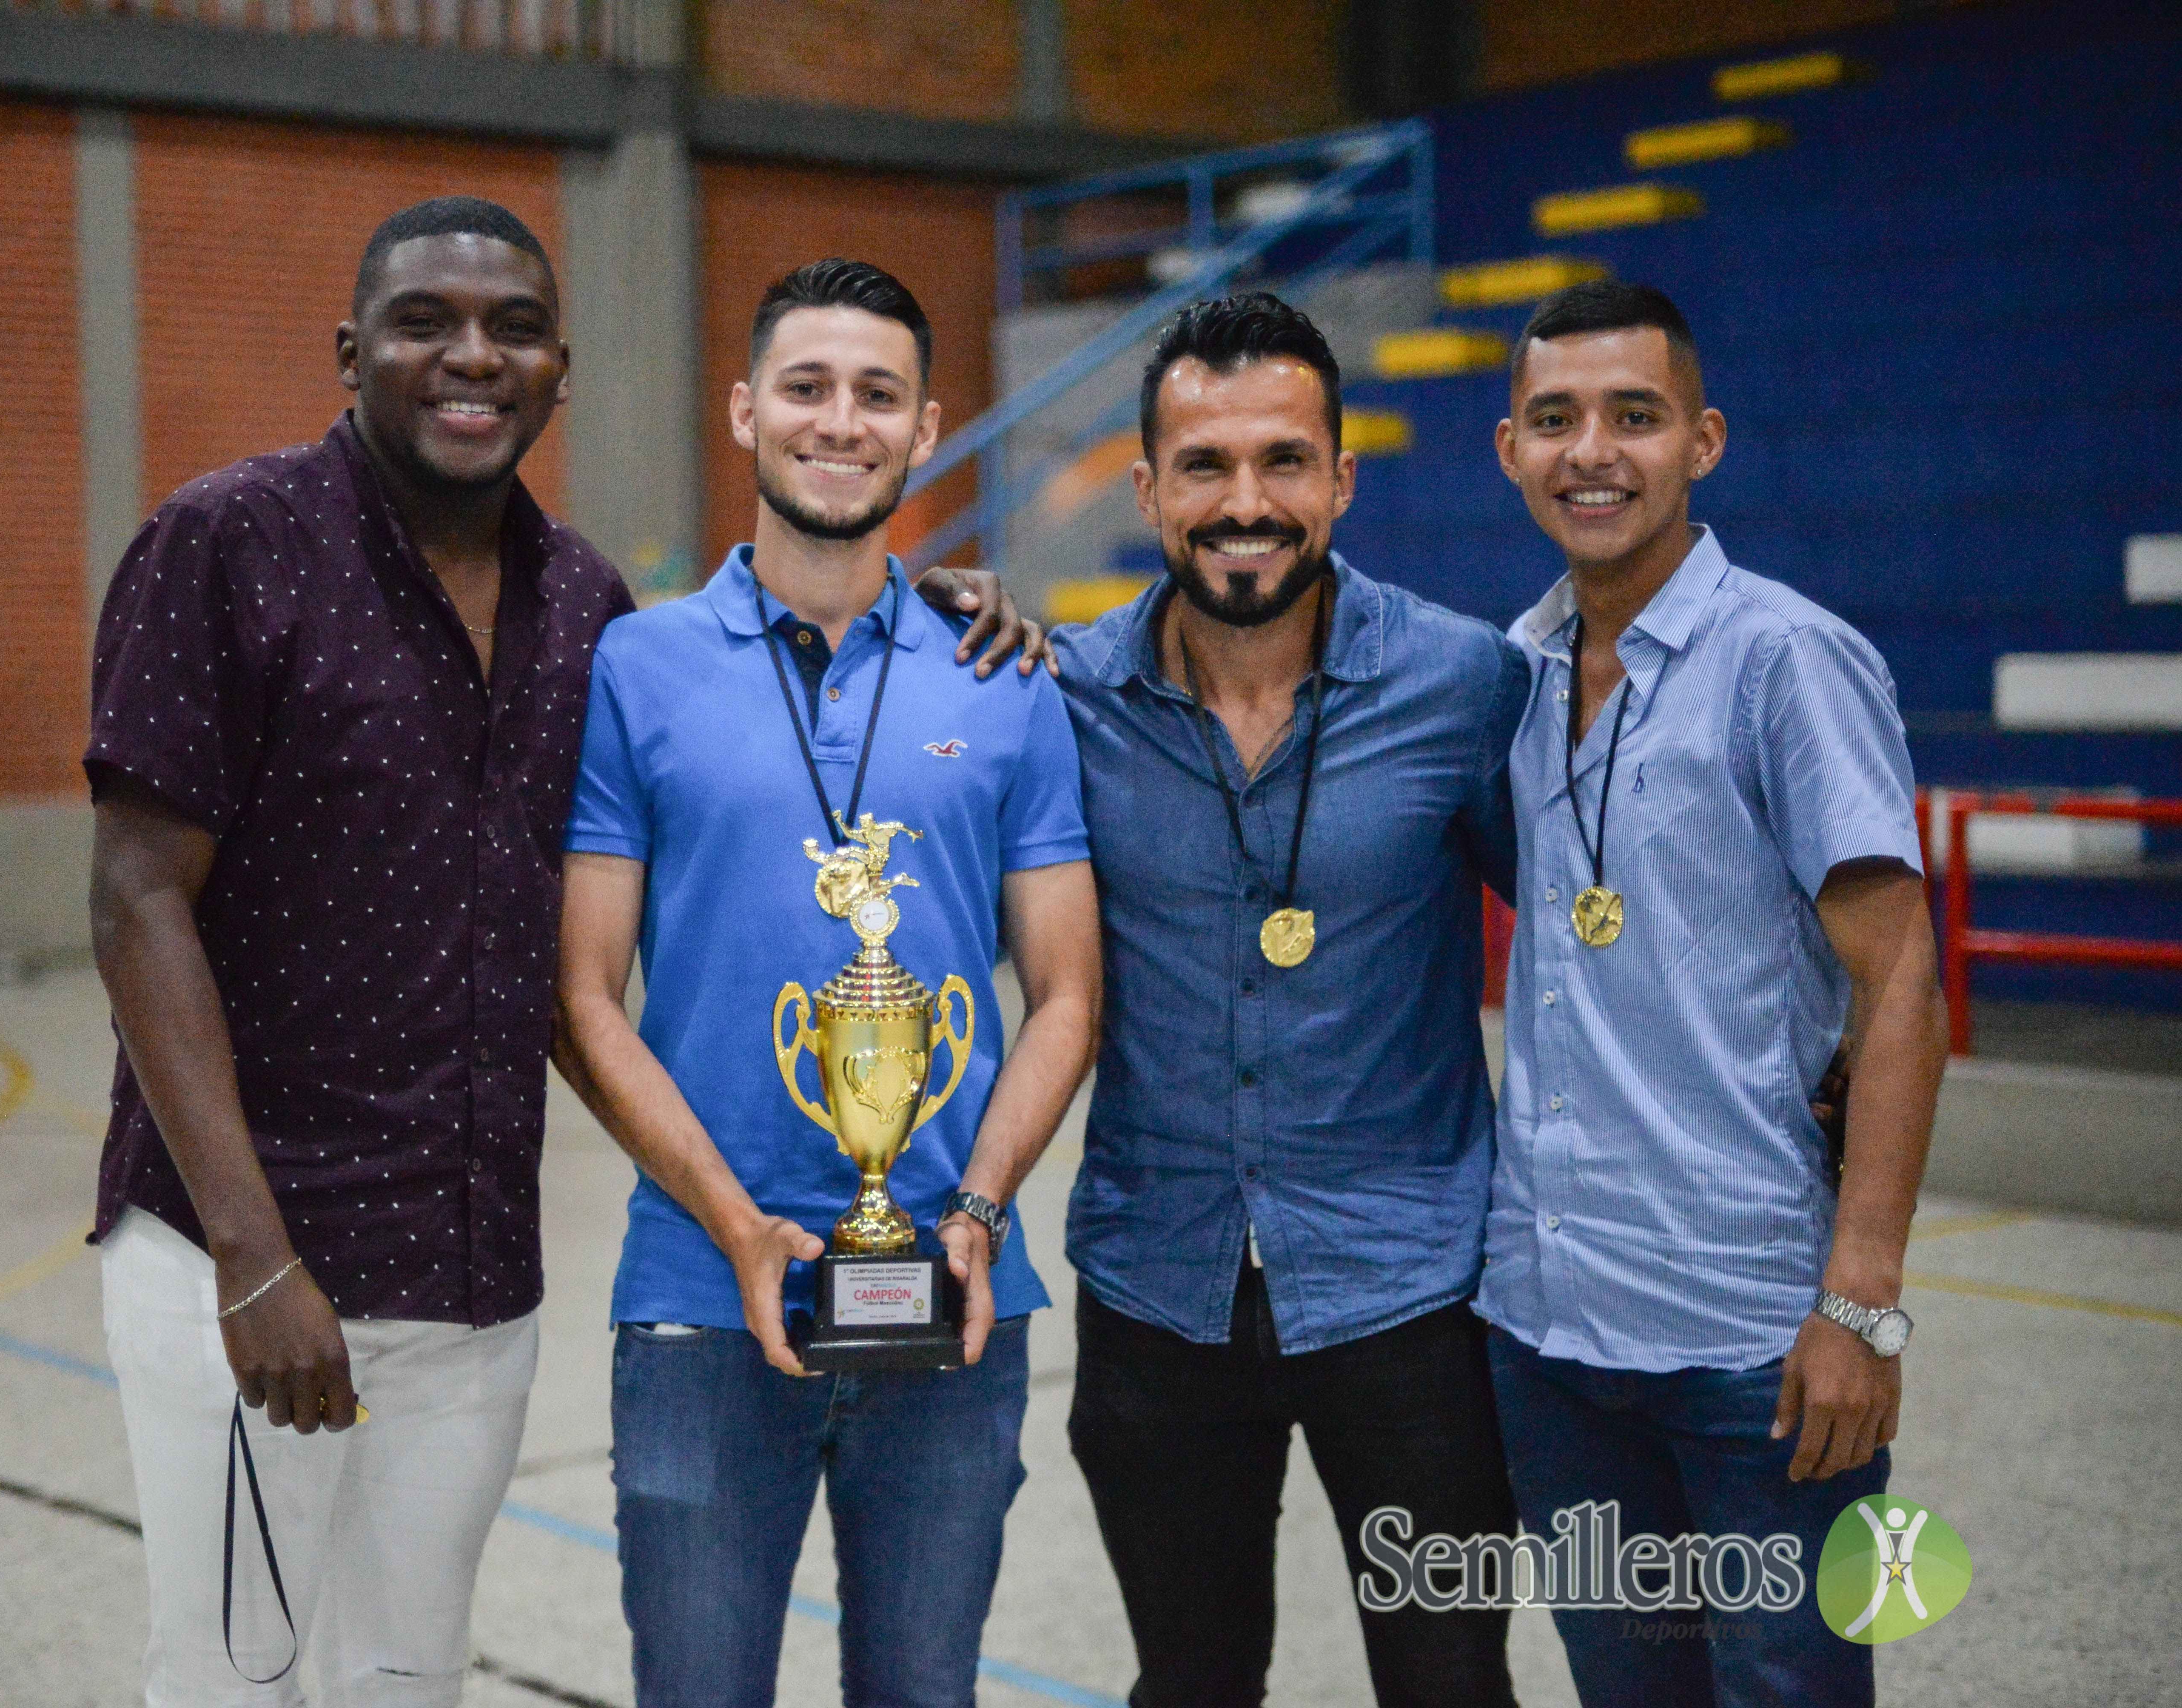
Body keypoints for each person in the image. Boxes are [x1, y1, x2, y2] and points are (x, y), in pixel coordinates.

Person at [85, 202, 1041, 1708]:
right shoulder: (226, 543)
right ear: (351, 352)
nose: (472, 356)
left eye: (513, 328)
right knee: (234, 1681)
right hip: (249, 1255)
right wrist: (252, 1257)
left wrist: (925, 605)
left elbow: (762, 678)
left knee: (409, 1678)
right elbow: (135, 900)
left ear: (560, 371)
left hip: (469, 1273)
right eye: (425, 323)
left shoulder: (583, 608)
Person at [556, 258, 1102, 1708]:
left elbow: (1064, 994)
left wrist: (978, 1214)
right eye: (807, 387)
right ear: (745, 412)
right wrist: (737, 1227)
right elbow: (585, 994)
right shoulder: (637, 667)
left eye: (880, 395)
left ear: (929, 431)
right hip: (695, 1300)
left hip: (955, 1296)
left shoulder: (1007, 675)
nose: (840, 421)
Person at [1048, 293, 1527, 1707]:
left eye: (1282, 462)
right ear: (1146, 487)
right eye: (1204, 465)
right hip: (1157, 1284)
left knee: (1450, 1685)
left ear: (1341, 478)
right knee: (1188, 1685)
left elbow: (1586, 936)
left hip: (1415, 1292)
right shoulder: (1060, 695)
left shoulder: (1463, 684)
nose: (1244, 503)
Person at [1478, 279, 1946, 1707]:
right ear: (1511, 451)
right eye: (1555, 420)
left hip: (1754, 1340)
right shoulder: (1513, 667)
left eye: (1635, 416)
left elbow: (1905, 976)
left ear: (1705, 441)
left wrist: (1861, 1305)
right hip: (1549, 1327)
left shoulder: (1786, 660)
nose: (1592, 452)